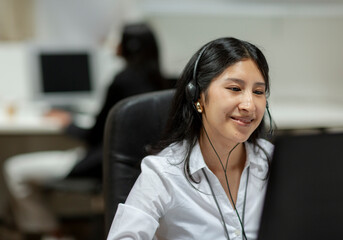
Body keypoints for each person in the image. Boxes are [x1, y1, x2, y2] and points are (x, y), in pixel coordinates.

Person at [3, 22, 167, 236]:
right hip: (133, 165)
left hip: (97, 163)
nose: (113, 46)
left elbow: (94, 136)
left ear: (129, 46)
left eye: (118, 41)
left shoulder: (122, 81)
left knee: (15, 170)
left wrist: (67, 123)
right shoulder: (160, 82)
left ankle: (50, 230)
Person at [107, 37, 274, 240]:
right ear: (198, 96)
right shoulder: (164, 172)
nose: (249, 105)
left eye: (258, 91)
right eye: (235, 89)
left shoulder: (277, 162)